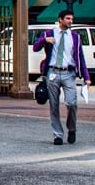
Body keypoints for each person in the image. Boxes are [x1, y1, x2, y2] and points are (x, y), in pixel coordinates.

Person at [33, 11, 89, 145]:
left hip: (69, 73)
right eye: (68, 19)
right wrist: (44, 40)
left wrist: (86, 77)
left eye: (72, 19)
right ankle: (57, 135)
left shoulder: (75, 37)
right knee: (54, 105)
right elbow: (35, 47)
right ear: (60, 19)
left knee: (71, 103)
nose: (70, 21)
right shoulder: (50, 33)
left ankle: (72, 129)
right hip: (52, 72)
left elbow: (80, 57)